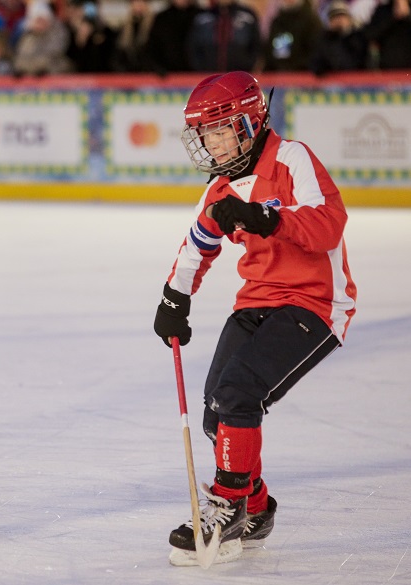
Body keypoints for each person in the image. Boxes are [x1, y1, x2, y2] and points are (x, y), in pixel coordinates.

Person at [153, 71, 356, 566]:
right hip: (255, 301)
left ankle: (228, 505)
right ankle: (257, 506)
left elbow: (329, 223)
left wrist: (269, 218)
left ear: (249, 122)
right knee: (215, 415)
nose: (213, 144)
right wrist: (175, 298)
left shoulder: (292, 158)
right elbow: (195, 247)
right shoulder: (221, 188)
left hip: (314, 302)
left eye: (221, 131)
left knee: (238, 392)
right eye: (206, 135)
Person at [186, 0, 261, 73]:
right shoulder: (202, 17)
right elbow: (193, 47)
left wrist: (247, 67)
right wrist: (201, 69)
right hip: (208, 77)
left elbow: (256, 45)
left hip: (239, 78)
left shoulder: (247, 16)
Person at [310, 0, 369, 75]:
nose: (338, 20)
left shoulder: (359, 37)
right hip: (331, 84)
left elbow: (351, 64)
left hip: (357, 83)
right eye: (334, 18)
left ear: (349, 19)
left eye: (341, 17)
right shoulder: (324, 40)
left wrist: (344, 36)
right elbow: (316, 65)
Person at [263, 0, 323, 71]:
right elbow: (270, 53)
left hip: (303, 75)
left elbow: (316, 53)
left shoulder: (312, 22)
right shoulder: (277, 23)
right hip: (277, 75)